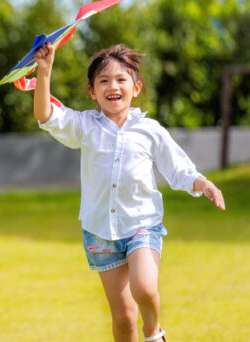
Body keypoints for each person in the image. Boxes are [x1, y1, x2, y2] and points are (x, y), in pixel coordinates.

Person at [32, 43, 226, 341]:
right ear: (92, 91)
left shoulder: (150, 129)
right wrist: (44, 72)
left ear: (136, 88)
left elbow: (178, 168)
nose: (113, 86)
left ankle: (153, 332)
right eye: (104, 80)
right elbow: (46, 116)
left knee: (145, 288)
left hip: (141, 224)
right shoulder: (85, 125)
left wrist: (204, 184)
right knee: (123, 317)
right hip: (100, 232)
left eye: (121, 79)